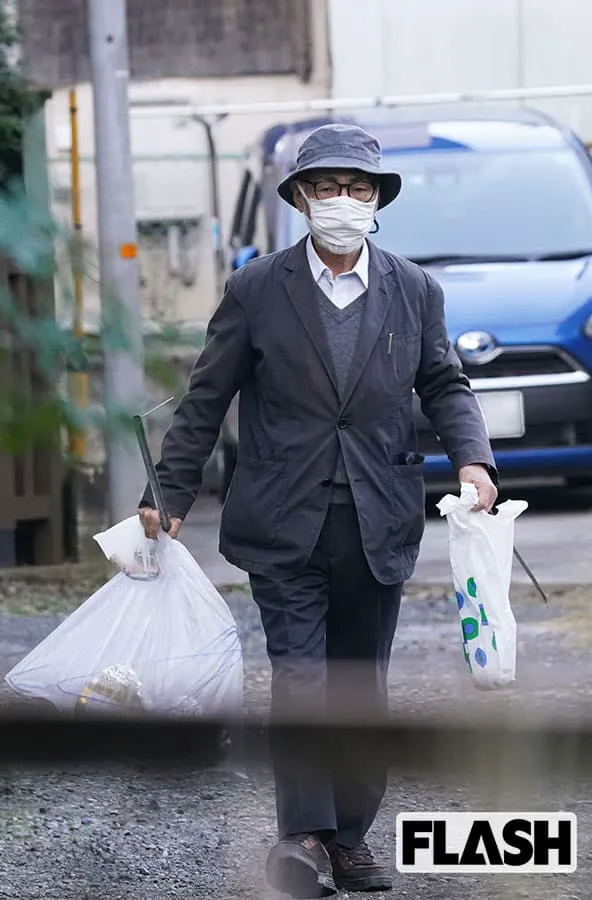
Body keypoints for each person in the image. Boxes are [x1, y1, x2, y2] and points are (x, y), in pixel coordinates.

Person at [139, 123, 498, 898]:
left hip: (380, 513)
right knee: (302, 675)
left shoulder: (414, 288)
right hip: (282, 513)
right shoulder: (257, 289)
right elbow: (208, 397)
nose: (342, 201)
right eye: (326, 187)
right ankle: (301, 836)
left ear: (377, 200)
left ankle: (350, 840)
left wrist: (473, 459)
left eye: (358, 188)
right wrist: (168, 493)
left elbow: (445, 384)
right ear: (301, 197)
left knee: (360, 684)